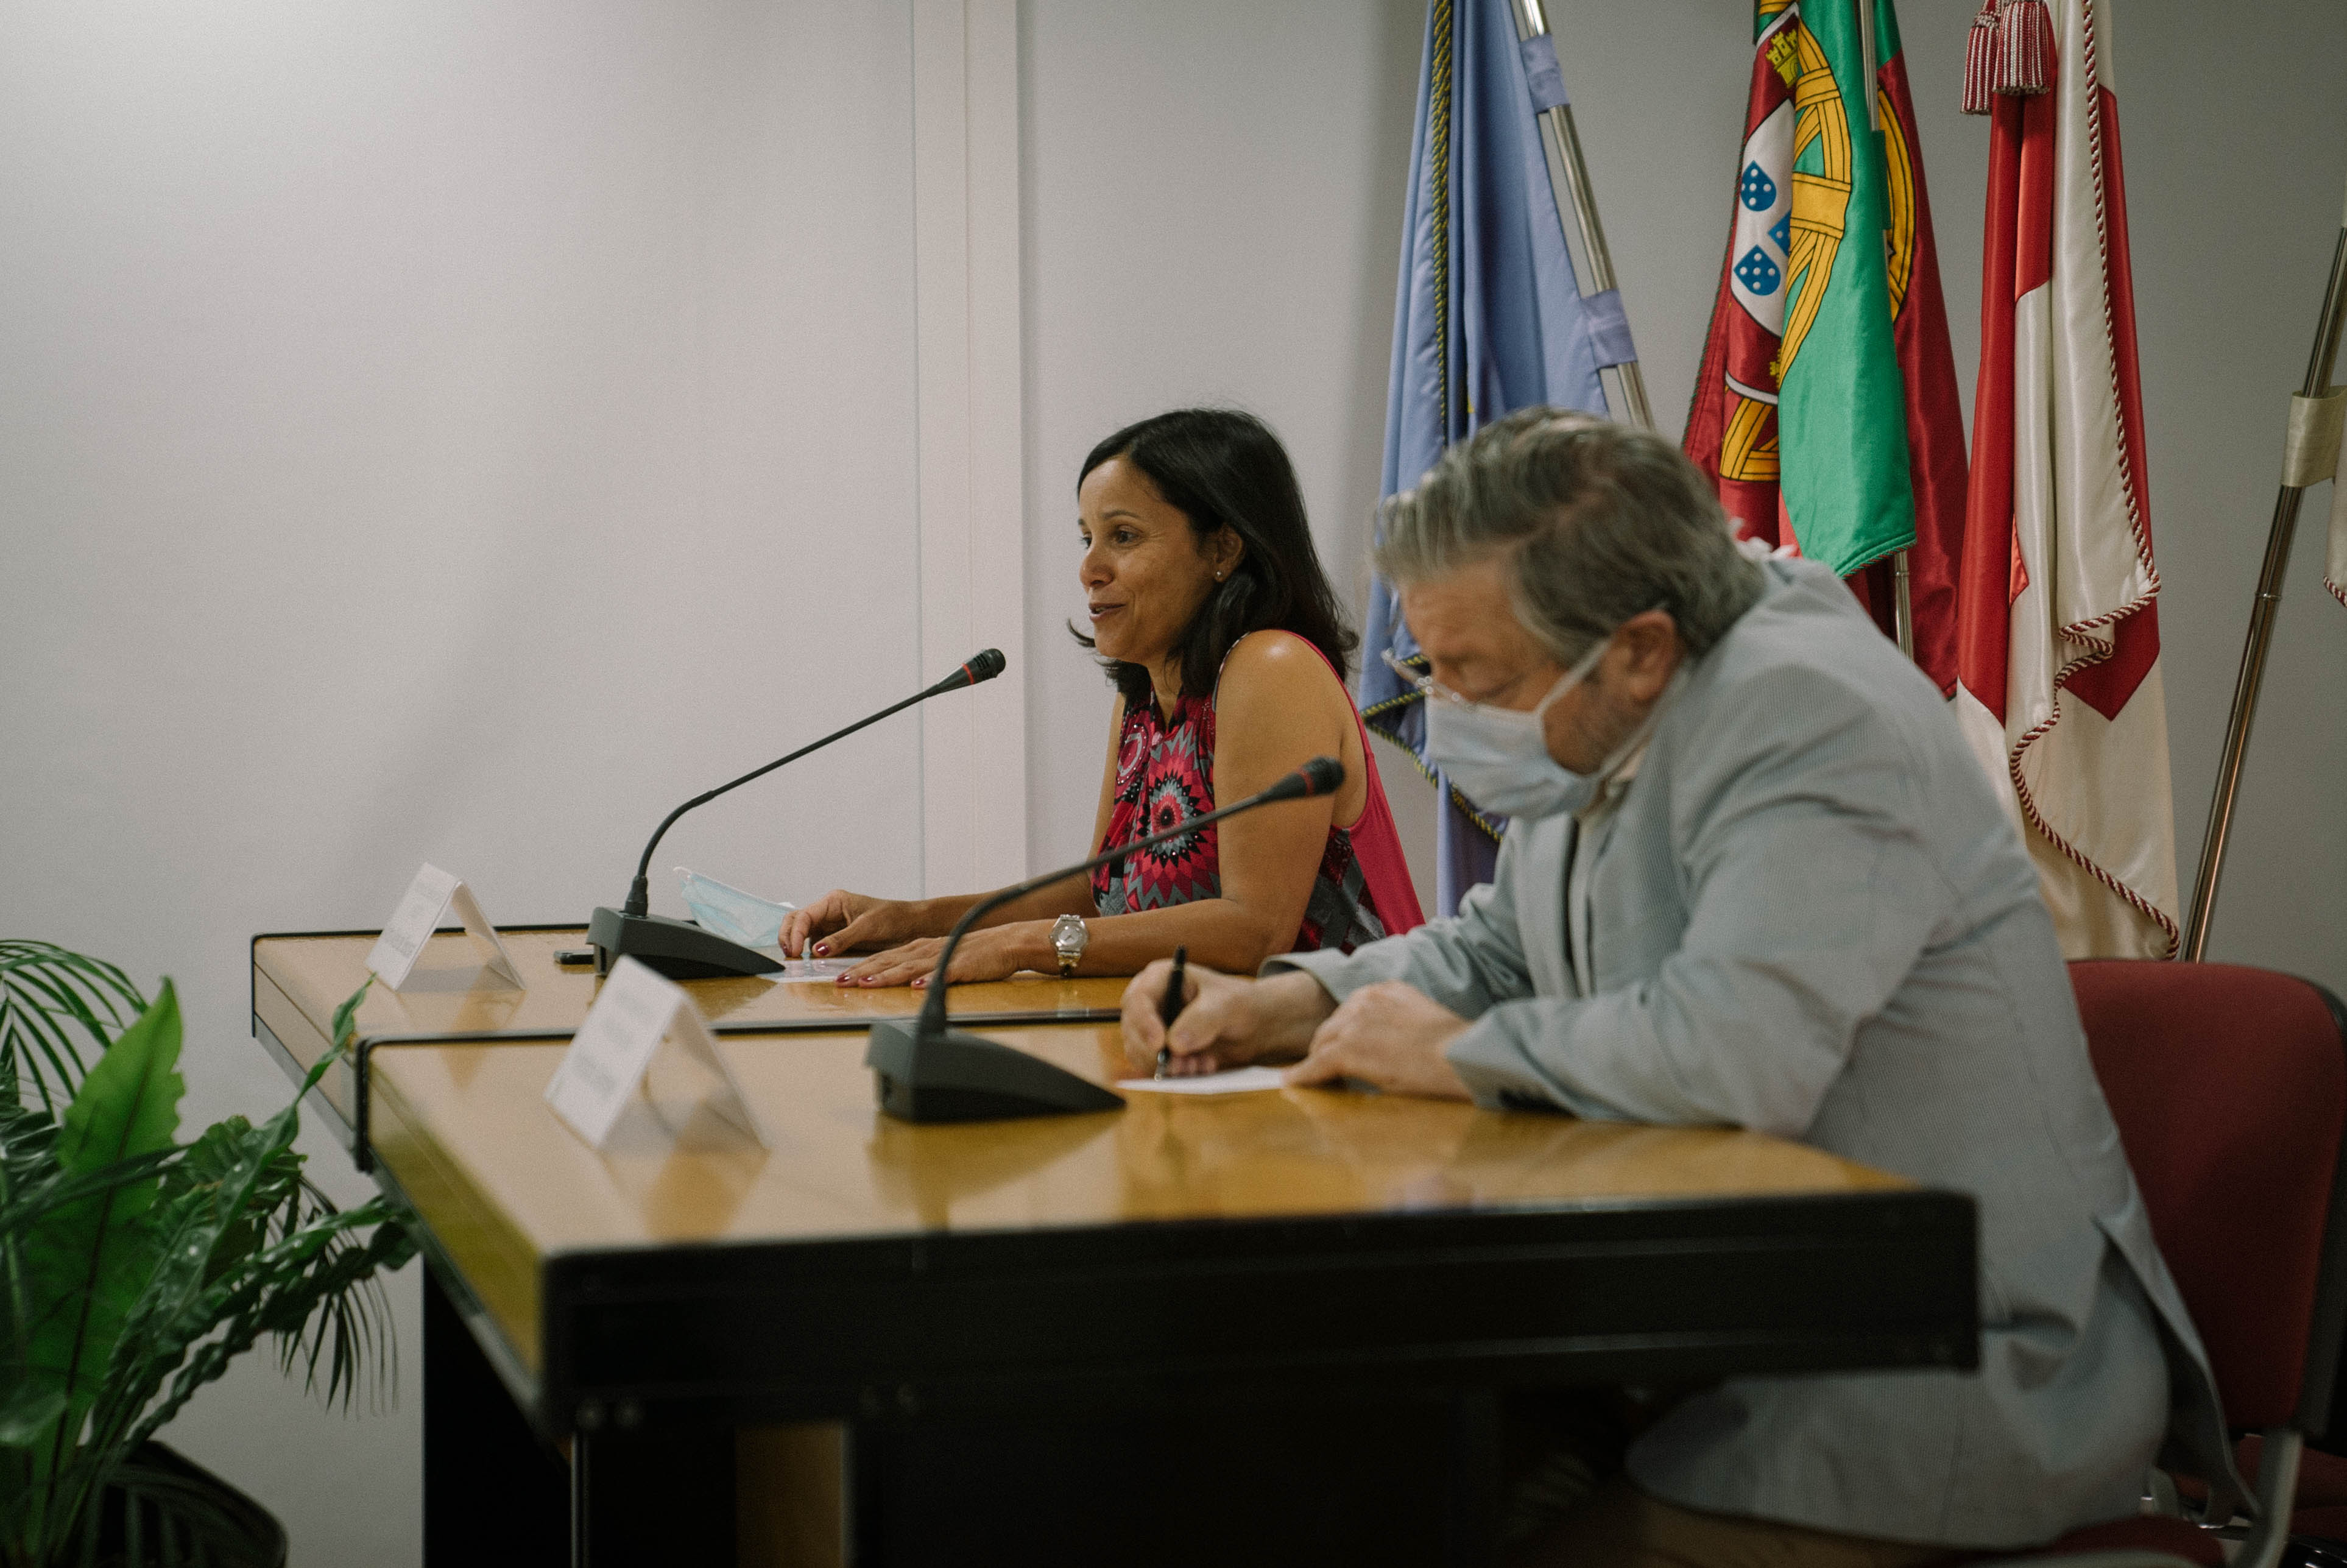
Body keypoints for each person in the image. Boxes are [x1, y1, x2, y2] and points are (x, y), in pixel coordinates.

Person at [1119, 411, 2236, 1564]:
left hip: (1934, 1365)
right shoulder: (1605, 700)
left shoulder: (1812, 717)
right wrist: (1284, 999)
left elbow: (1731, 1054)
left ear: (1641, 648)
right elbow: (1501, 947)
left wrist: (1446, 1053)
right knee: (1307, 1473)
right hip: (1717, 1332)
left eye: (1471, 674)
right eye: (1429, 667)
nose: (1441, 706)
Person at [780, 408, 1423, 986]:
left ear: (1223, 548)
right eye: (1086, 537)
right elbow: (1101, 894)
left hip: (1357, 1042)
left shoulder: (1271, 668)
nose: (1090, 568)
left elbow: (1254, 930)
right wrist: (909, 921)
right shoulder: (1145, 699)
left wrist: (1022, 945)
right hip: (1208, 1036)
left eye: (1123, 536)